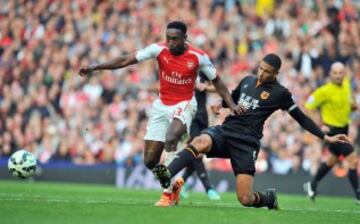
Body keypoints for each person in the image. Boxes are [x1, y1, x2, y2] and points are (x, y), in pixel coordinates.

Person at [152, 53, 349, 210]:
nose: (262, 73)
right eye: (261, 68)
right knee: (199, 142)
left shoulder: (281, 93)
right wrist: (221, 104)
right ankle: (167, 174)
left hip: (247, 142)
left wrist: (325, 137)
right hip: (227, 131)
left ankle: (269, 199)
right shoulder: (247, 80)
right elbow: (233, 98)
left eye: (267, 71)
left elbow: (301, 117)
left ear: (276, 73)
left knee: (245, 199)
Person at [78, 21, 244, 207]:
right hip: (161, 105)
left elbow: (218, 81)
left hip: (185, 103)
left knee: (171, 138)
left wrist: (231, 104)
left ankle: (167, 195)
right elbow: (126, 59)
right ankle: (171, 185)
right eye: (168, 38)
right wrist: (96, 67)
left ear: (184, 39)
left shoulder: (198, 57)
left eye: (175, 39)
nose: (171, 43)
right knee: (150, 161)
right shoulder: (158, 50)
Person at [303, 62, 359, 203]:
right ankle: (358, 194)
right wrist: (320, 124)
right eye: (335, 72)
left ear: (344, 74)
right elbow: (308, 105)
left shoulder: (347, 85)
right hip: (332, 131)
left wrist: (352, 107)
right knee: (352, 158)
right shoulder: (324, 91)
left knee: (332, 160)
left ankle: (312, 184)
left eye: (340, 72)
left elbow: (348, 104)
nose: (338, 75)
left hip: (344, 128)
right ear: (330, 74)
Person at [179, 73, 221, 201]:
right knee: (196, 152)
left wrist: (205, 87)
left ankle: (181, 184)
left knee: (197, 153)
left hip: (202, 117)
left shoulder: (203, 73)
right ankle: (209, 188)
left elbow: (218, 86)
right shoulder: (183, 75)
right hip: (189, 118)